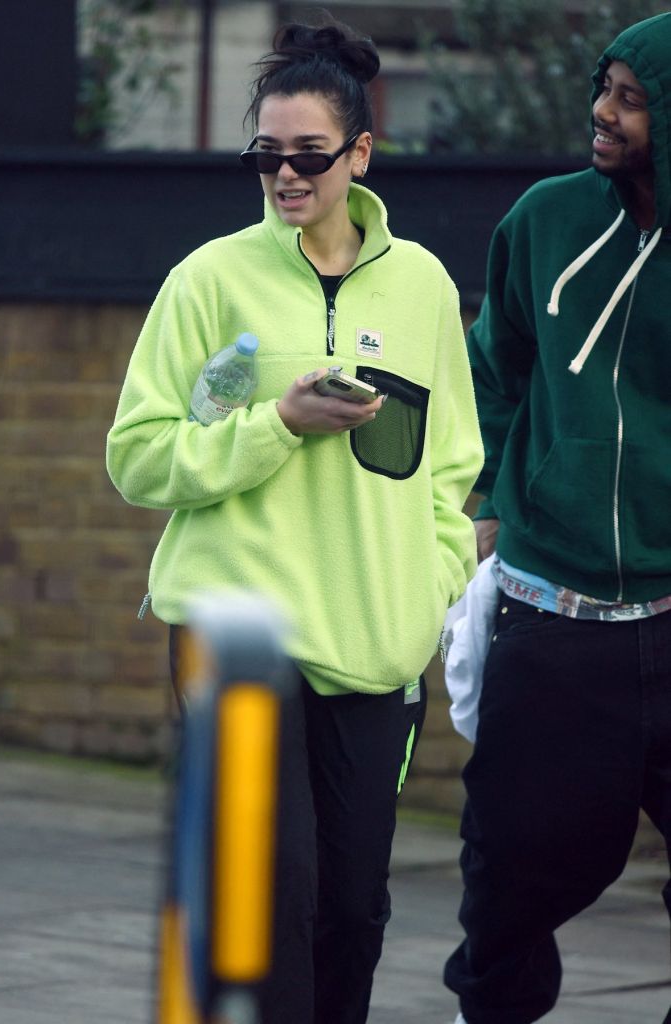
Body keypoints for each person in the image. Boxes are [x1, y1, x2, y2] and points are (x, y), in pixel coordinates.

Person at [106, 12, 482, 1024]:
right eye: (264, 156)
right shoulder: (207, 281)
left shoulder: (421, 288)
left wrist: (427, 589)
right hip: (236, 641)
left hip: (369, 645)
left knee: (352, 911)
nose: (283, 176)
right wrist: (275, 421)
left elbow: (451, 473)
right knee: (266, 907)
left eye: (307, 156)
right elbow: (139, 457)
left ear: (359, 152)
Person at [443, 12, 671, 1024]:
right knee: (507, 871)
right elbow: (492, 369)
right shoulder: (540, 219)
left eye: (629, 98)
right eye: (603, 88)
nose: (600, 112)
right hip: (549, 609)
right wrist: (487, 504)